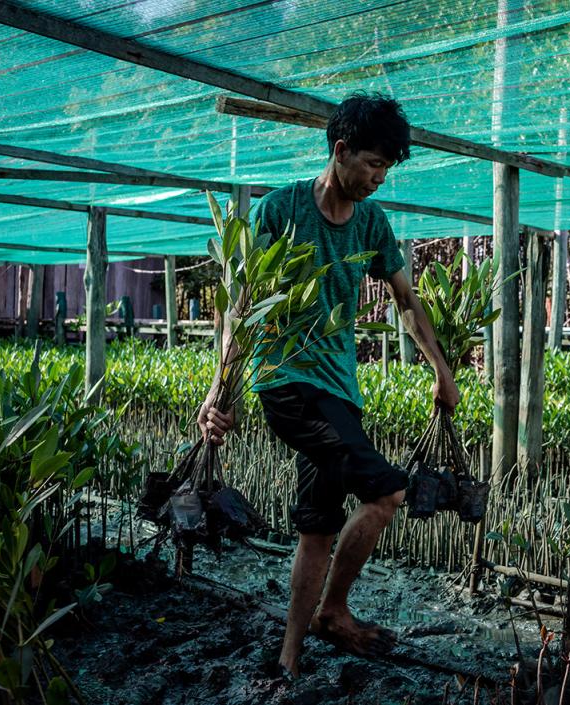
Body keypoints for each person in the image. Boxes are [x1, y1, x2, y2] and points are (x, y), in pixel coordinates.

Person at [197, 92, 460, 678]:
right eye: (372, 164)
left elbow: (406, 301)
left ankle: (291, 651)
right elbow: (237, 308)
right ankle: (335, 610)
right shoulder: (279, 211)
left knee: (316, 528)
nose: (378, 178)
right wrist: (222, 391)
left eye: (387, 168)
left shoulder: (372, 223)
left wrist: (441, 370)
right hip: (286, 383)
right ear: (340, 150)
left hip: (340, 392)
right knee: (388, 493)